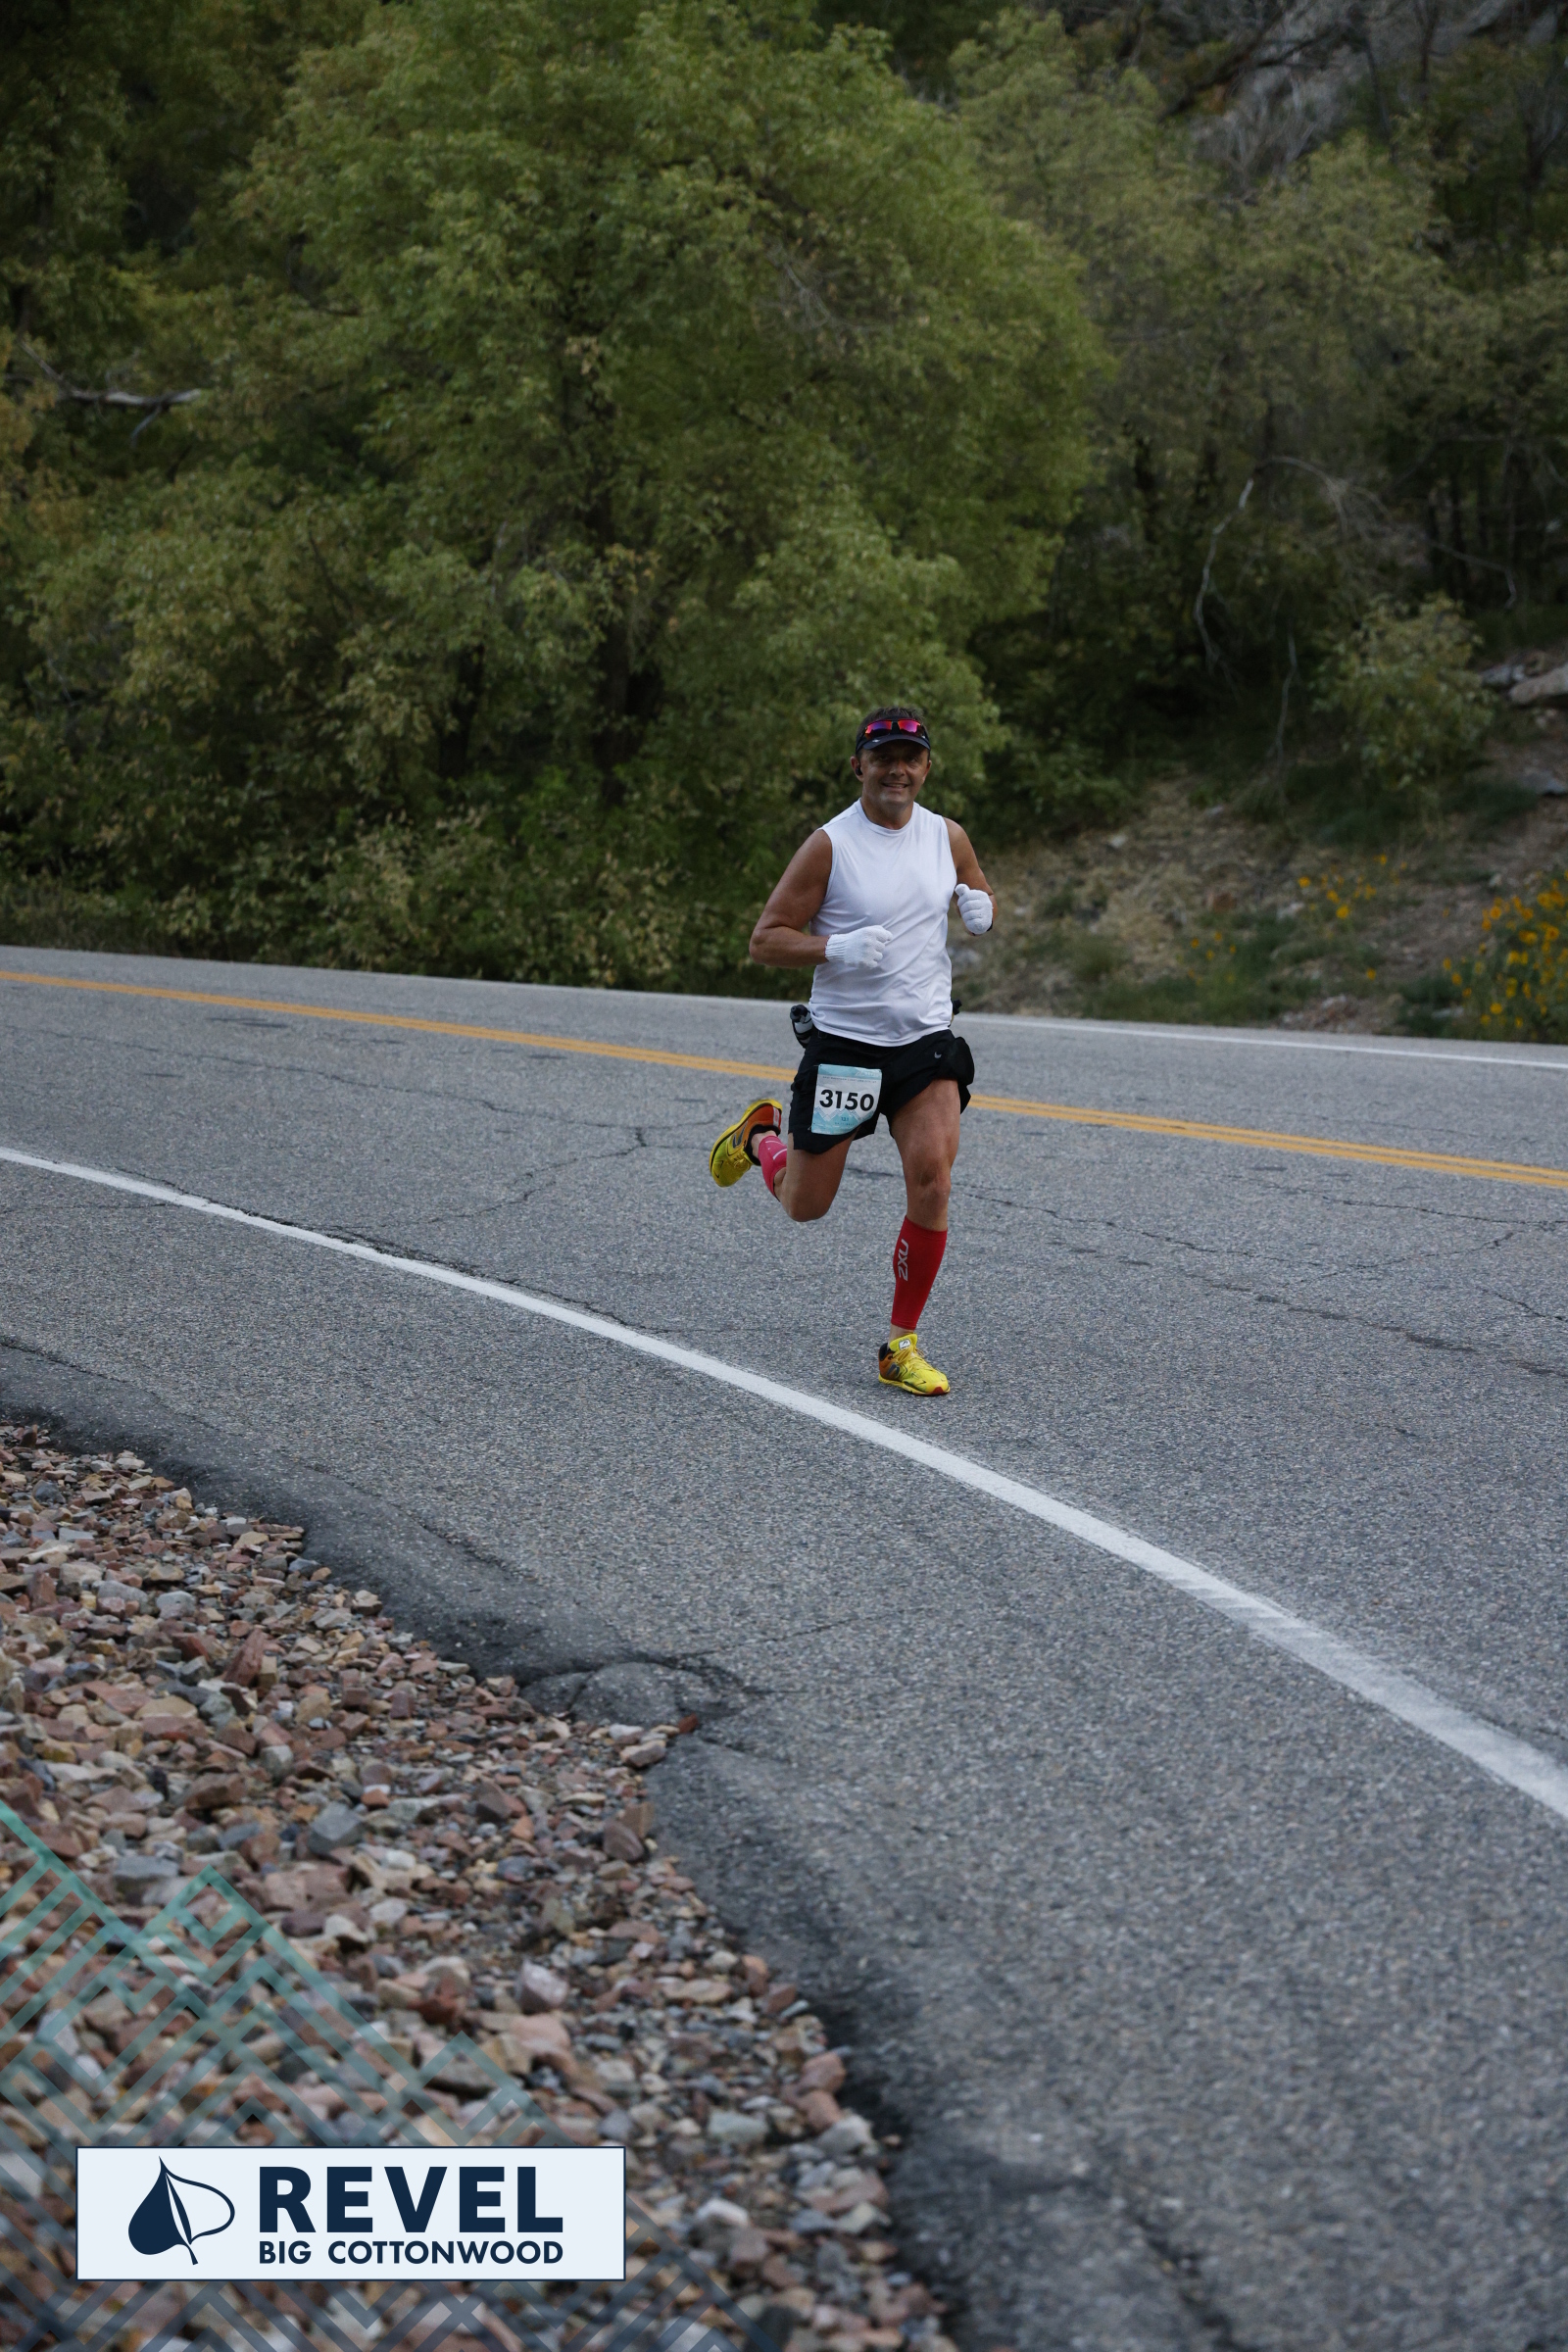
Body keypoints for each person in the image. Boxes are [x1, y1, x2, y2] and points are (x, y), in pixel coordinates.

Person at [709, 707, 996, 1396]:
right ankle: (760, 1140)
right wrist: (834, 946)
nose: (898, 770)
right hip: (845, 1046)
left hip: (924, 1042)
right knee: (806, 1205)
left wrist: (981, 904)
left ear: (927, 767)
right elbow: (765, 939)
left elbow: (975, 884)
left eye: (910, 758)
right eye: (883, 758)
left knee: (933, 1180)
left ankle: (901, 1345)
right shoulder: (830, 845)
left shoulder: (947, 836)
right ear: (858, 767)